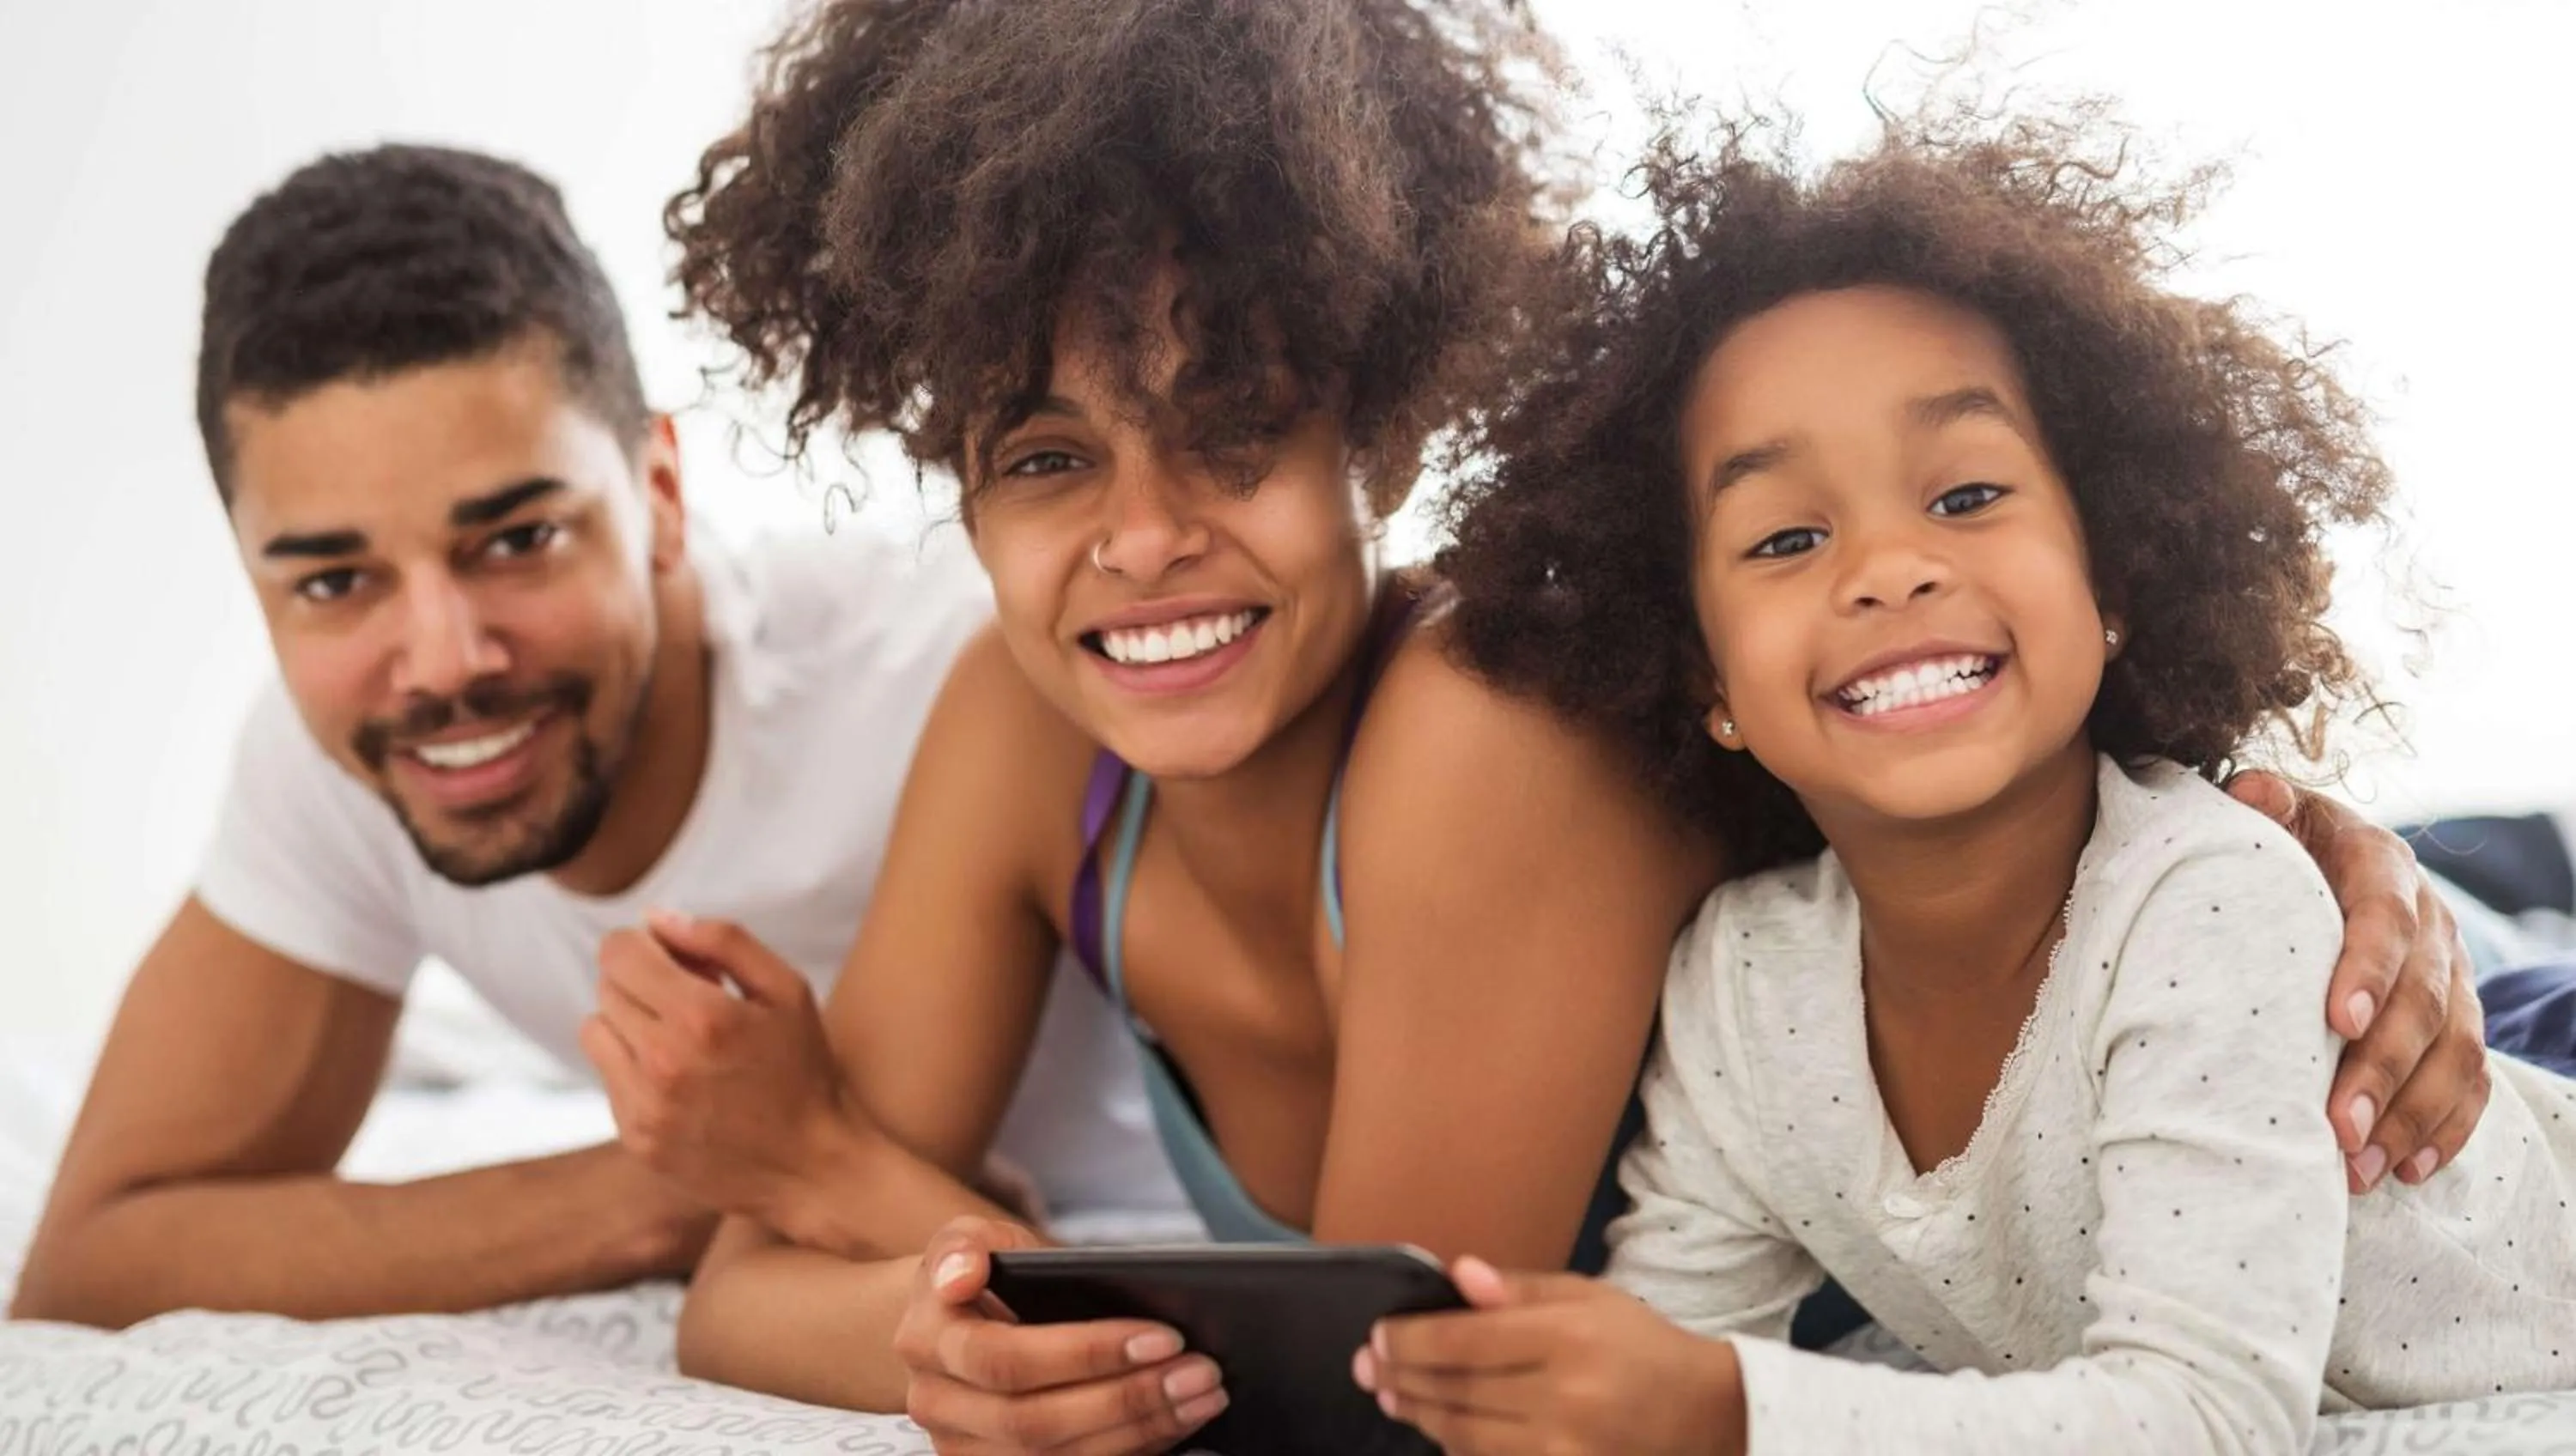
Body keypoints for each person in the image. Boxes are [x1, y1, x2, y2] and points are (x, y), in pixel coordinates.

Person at [626, 5, 2494, 1449]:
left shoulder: (1476, 730)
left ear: (1383, 431)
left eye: (1233, 427)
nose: (1140, 538)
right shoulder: (1026, 730)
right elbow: (734, 1300)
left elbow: (1371, 1386)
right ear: (958, 491)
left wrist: (845, 1178)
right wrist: (935, 1322)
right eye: (1044, 458)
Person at [1361, 108, 2576, 1454]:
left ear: (2113, 578)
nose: (1886, 567)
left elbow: (2207, 1421)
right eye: (1788, 536)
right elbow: (1679, 1346)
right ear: (1704, 675)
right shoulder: (1741, 991)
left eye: (1962, 499)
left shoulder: (2207, 904)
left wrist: (1713, 1408)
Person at [8, 144, 1172, 1329]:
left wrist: (790, 1167)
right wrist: (681, 1188)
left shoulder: (956, 676)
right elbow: (95, 1262)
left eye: (518, 541)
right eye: (333, 580)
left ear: (660, 491)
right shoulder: (348, 751)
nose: (444, 662)